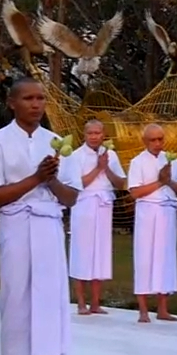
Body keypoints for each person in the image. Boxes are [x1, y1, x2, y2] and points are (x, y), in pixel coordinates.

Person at [0, 79, 80, 355]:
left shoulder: (56, 143)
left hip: (48, 228)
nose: (36, 104)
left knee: (45, 307)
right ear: (12, 103)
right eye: (28, 98)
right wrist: (35, 179)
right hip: (17, 228)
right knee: (17, 304)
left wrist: (50, 180)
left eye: (40, 99)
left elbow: (72, 197)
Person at [62, 119, 124, 315]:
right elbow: (77, 184)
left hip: (104, 205)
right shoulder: (76, 155)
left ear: (103, 134)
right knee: (82, 251)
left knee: (101, 253)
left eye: (98, 133)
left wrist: (106, 167)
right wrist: (97, 168)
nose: (95, 137)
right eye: (91, 133)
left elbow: (120, 183)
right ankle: (81, 302)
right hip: (84, 205)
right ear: (84, 135)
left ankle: (96, 303)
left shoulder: (110, 155)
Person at [126, 123, 177, 323]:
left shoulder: (172, 161)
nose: (158, 143)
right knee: (144, 257)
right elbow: (135, 192)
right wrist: (159, 182)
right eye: (153, 140)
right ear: (145, 141)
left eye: (160, 139)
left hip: (167, 213)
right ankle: (143, 309)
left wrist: (169, 182)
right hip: (147, 214)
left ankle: (163, 308)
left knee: (165, 257)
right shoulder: (137, 162)